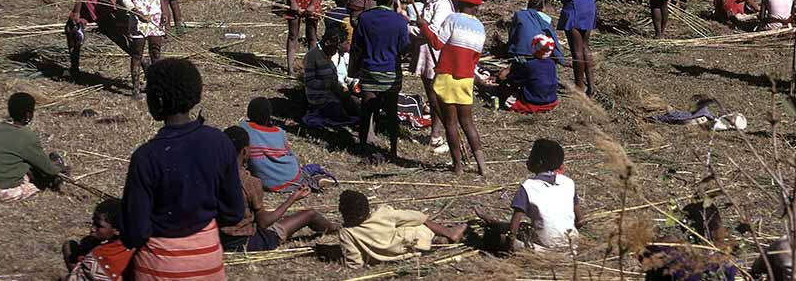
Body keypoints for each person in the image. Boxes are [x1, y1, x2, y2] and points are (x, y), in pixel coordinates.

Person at [121, 59, 244, 281]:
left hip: (159, 268)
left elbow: (136, 234)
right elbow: (234, 213)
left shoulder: (146, 157)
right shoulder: (219, 142)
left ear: (157, 100)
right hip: (208, 264)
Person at [219, 125, 335, 252]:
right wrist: (292, 199)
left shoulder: (211, 175)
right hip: (246, 243)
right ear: (245, 151)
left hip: (217, 239)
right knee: (310, 214)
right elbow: (264, 223)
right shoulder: (250, 183)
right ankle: (339, 230)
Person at [419, 0, 487, 176]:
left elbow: (437, 44)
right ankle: (482, 166)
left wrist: (423, 25)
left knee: (450, 123)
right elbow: (475, 58)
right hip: (466, 78)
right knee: (468, 123)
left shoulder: (452, 19)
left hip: (447, 76)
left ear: (459, 1)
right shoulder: (480, 28)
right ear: (477, 5)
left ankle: (457, 166)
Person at [475, 139, 583, 252]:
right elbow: (580, 220)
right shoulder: (568, 182)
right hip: (571, 248)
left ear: (539, 162)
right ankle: (494, 222)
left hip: (543, 251)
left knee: (492, 236)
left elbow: (513, 229)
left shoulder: (528, 186)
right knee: (526, 227)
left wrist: (509, 245)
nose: (528, 159)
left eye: (531, 156)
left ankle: (493, 226)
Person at [351, 0, 409, 163]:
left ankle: (363, 148)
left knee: (366, 110)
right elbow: (404, 47)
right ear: (393, 0)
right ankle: (393, 149)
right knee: (391, 112)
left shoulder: (365, 19)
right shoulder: (400, 21)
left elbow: (357, 45)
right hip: (391, 71)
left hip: (369, 70)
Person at [337, 189, 465, 269]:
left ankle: (437, 240)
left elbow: (355, 262)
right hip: (409, 247)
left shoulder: (346, 233)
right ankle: (447, 233)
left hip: (384, 258)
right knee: (418, 224)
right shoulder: (383, 213)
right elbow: (415, 217)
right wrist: (423, 218)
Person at [0, 92, 69, 201]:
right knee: (42, 178)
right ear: (28, 115)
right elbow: (49, 170)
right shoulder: (27, 136)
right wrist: (62, 168)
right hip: (4, 192)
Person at [409, 0, 455, 155]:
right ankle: (434, 133)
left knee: (436, 95)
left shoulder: (442, 5)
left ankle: (439, 133)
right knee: (430, 93)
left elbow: (432, 32)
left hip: (435, 53)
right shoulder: (430, 3)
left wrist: (409, 29)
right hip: (425, 52)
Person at [119, 0, 165, 99]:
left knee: (156, 52)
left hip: (155, 16)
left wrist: (164, 12)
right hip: (138, 19)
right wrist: (135, 11)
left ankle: (156, 86)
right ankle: (135, 88)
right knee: (137, 54)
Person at [239, 97, 303, 192]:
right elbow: (290, 154)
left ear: (249, 113)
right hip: (292, 179)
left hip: (267, 182)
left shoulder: (244, 128)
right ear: (269, 115)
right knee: (306, 168)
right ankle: (316, 177)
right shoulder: (279, 132)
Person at [61, 199, 134, 281]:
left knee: (68, 246)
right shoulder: (133, 245)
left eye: (98, 225)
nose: (92, 228)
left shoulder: (101, 255)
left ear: (117, 230)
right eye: (93, 222)